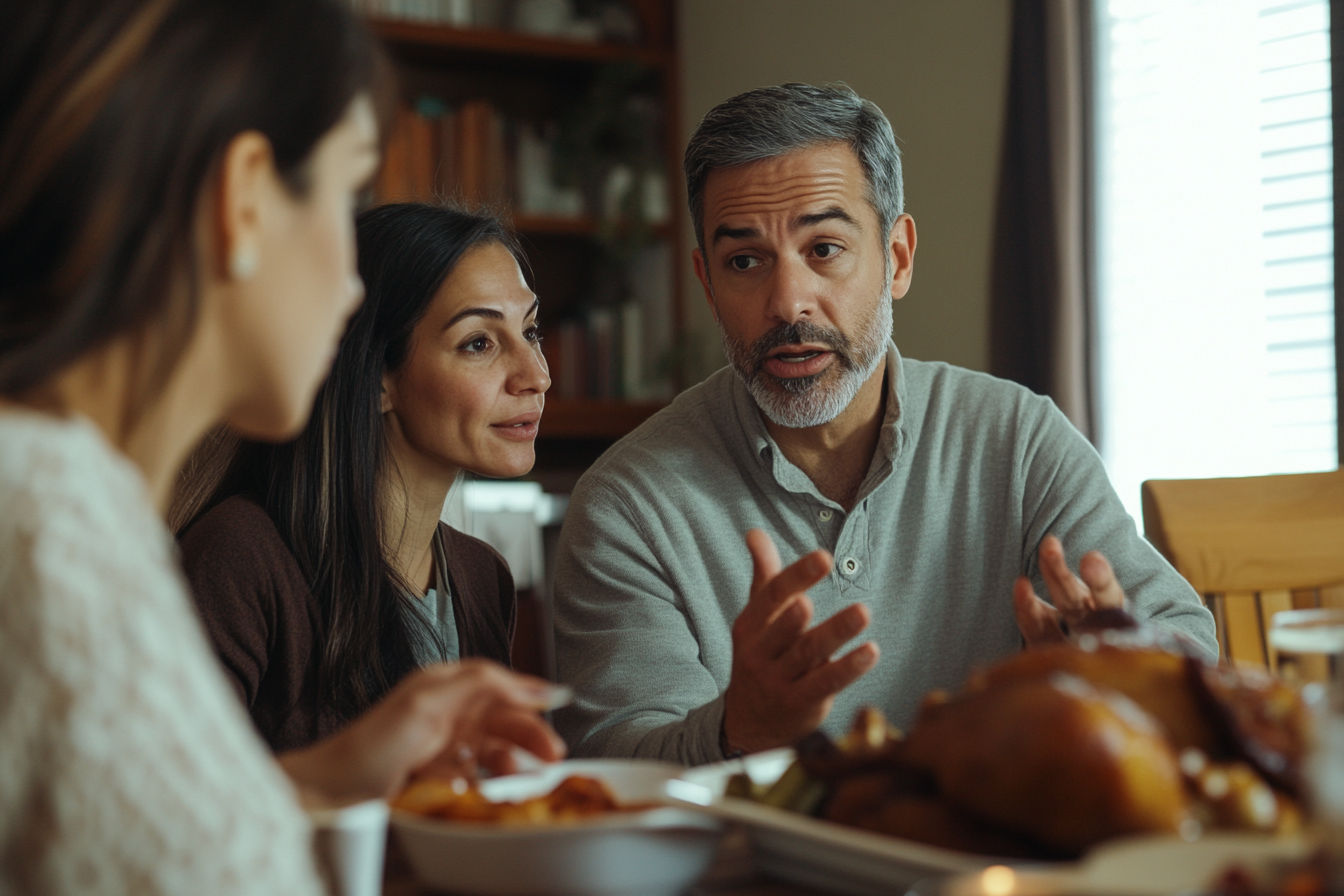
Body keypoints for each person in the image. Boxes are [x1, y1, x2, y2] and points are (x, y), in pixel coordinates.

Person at [0, 2, 562, 892]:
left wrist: (335, 776)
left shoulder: (69, 501)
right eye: (342, 199)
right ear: (246, 198)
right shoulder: (49, 520)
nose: (349, 289)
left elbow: (138, 841)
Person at [551, 82, 1218, 765]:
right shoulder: (625, 506)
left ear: (896, 258)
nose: (788, 303)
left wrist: (1111, 662)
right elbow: (617, 764)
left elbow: (1188, 644)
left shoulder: (1016, 440)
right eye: (745, 261)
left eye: (825, 249)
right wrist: (739, 730)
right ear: (707, 282)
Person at [174, 202, 550, 753]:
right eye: (478, 343)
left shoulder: (481, 578)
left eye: (532, 331)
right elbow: (174, 811)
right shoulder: (240, 558)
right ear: (375, 377)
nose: (536, 375)